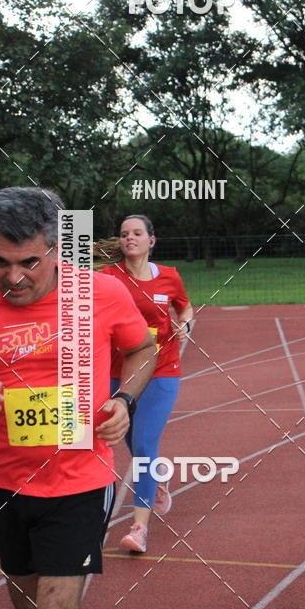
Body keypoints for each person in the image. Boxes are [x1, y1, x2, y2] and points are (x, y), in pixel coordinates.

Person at [0, 188, 156, 609]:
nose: (13, 276)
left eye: (29, 262)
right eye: (0, 261)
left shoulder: (100, 293)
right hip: (5, 484)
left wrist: (124, 399)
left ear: (59, 250)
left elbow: (144, 348)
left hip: (79, 481)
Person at [98, 214, 192, 554]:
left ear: (152, 240)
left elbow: (185, 307)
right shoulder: (108, 278)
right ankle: (157, 478)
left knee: (144, 445)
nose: (129, 238)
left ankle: (139, 528)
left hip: (162, 369)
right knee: (125, 437)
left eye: (137, 233)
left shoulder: (169, 277)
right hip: (116, 370)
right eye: (124, 234)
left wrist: (186, 326)